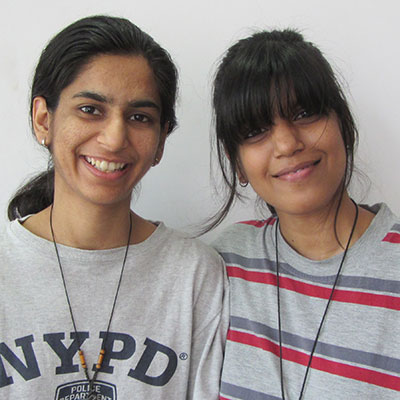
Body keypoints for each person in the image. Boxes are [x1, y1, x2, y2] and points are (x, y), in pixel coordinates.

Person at [0, 15, 228, 399]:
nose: (114, 137)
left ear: (160, 142)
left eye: (140, 117)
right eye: (91, 109)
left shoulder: (195, 276)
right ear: (44, 119)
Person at [211, 29, 400, 399]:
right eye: (255, 130)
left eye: (304, 113)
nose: (286, 143)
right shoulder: (224, 266)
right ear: (237, 164)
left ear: (342, 123)